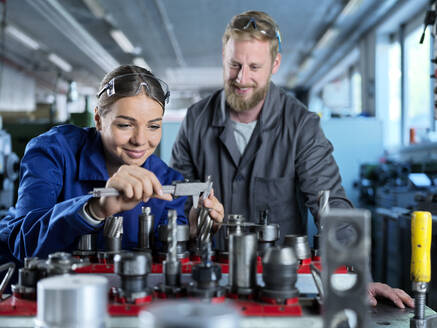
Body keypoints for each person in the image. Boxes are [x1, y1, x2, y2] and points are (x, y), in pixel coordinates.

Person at [170, 11, 413, 308]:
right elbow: (174, 198)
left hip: (282, 284)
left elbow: (332, 205)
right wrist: (191, 218)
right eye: (234, 64)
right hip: (212, 281)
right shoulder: (196, 120)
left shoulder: (301, 125)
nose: (241, 78)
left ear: (275, 64)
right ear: (223, 56)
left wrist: (355, 275)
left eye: (254, 67)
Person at [0, 65, 224, 265]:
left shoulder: (165, 181)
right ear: (98, 119)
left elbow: (164, 261)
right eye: (126, 125)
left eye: (153, 126)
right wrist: (93, 209)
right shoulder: (54, 152)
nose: (140, 139)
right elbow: (23, 245)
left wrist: (191, 234)